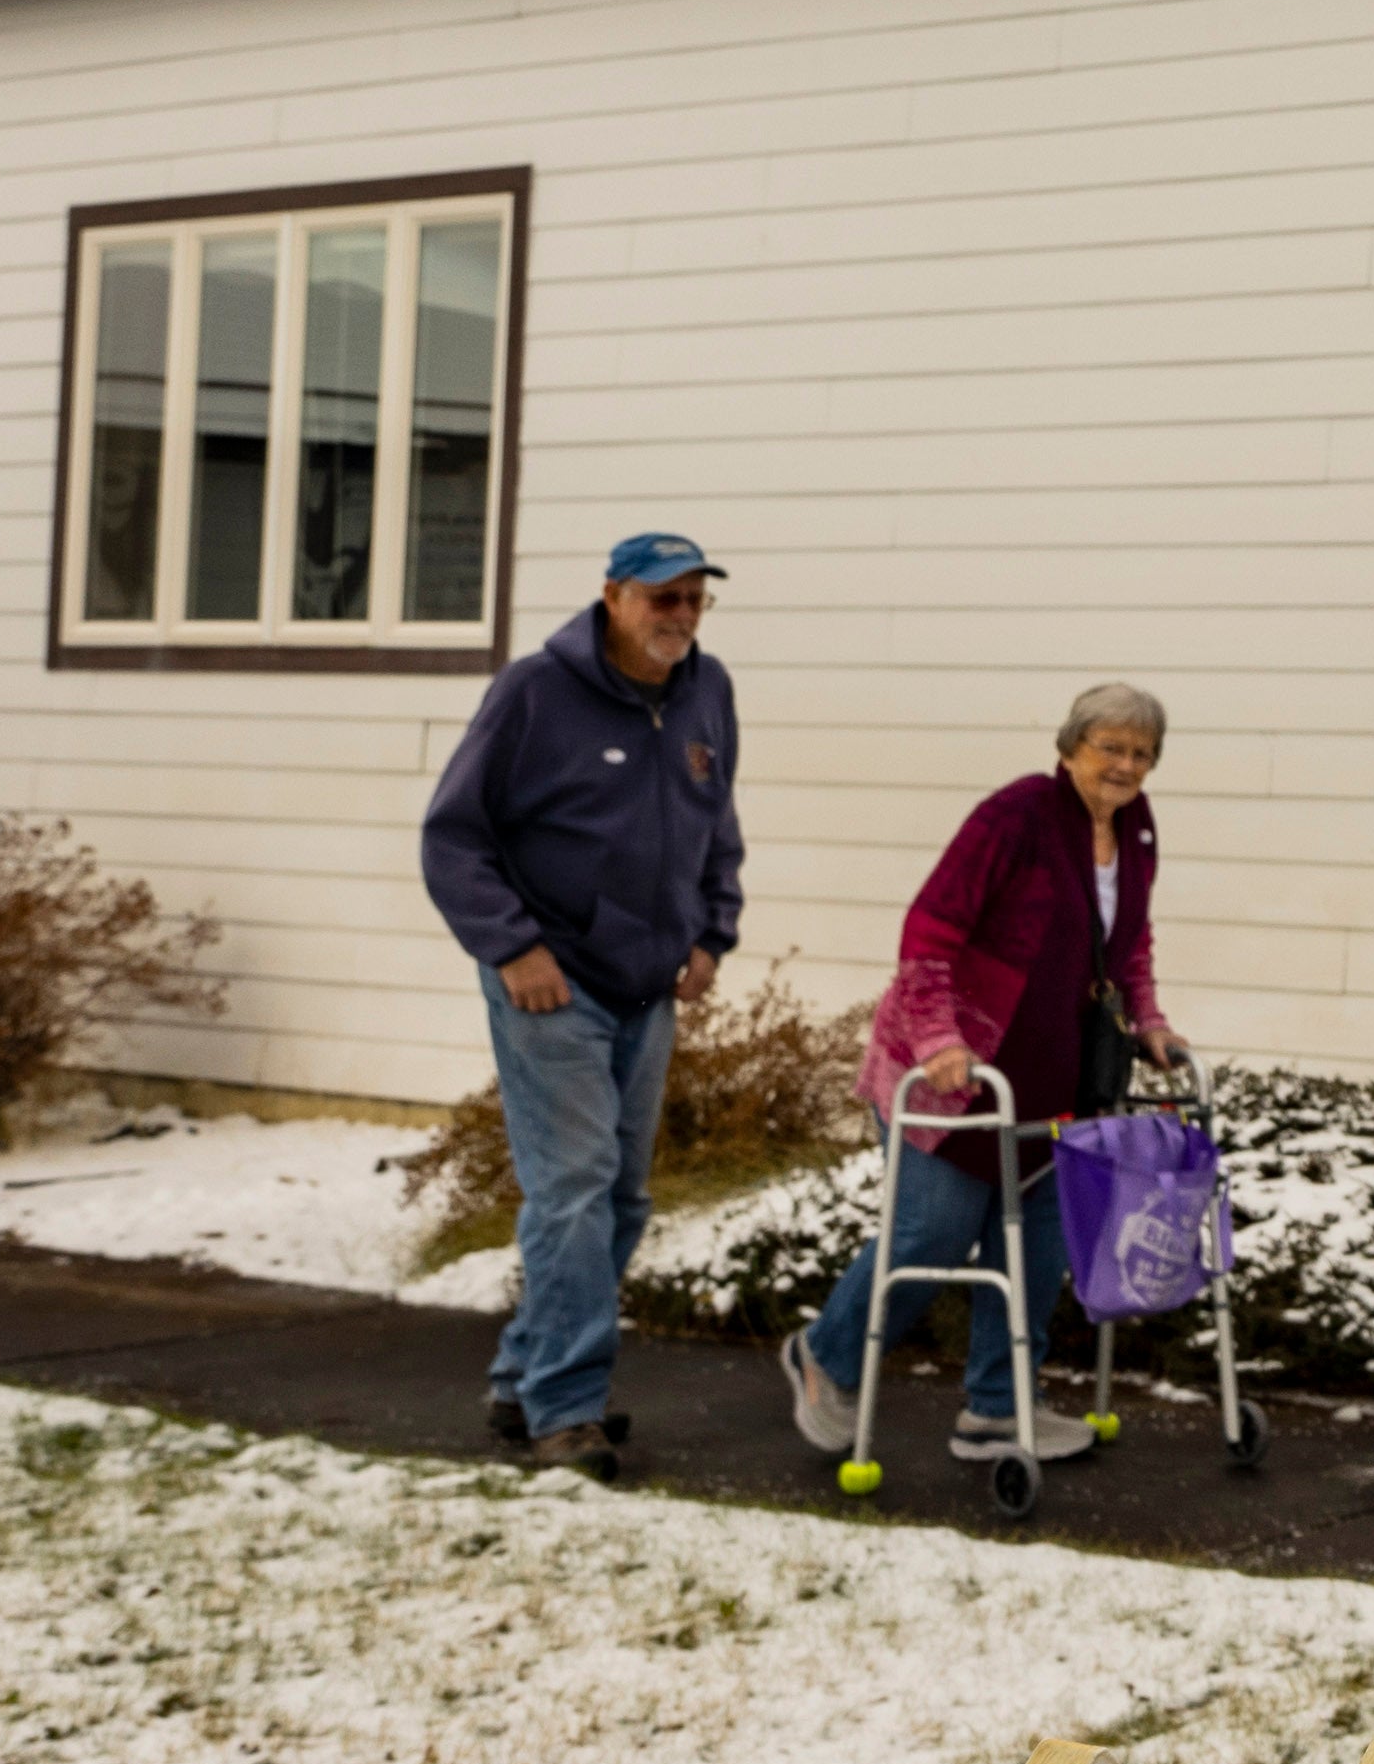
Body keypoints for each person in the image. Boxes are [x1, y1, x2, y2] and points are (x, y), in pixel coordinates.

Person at [786, 683, 1183, 1479]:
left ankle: (997, 1408)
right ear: (1070, 747)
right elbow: (930, 927)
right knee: (931, 1233)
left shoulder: (1135, 830)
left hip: (1053, 1076)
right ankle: (823, 1357)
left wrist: (1148, 1021)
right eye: (1110, 746)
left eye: (1141, 753)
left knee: (1036, 1240)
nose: (1126, 765)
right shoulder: (1015, 818)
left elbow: (1128, 943)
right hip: (952, 1071)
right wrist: (939, 1036)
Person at [420, 530, 745, 1466]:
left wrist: (710, 930)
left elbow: (715, 817)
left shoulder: (707, 689)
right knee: (572, 1193)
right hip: (549, 982)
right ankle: (567, 1409)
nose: (679, 617)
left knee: (623, 1196)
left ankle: (526, 1379)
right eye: (661, 598)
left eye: (694, 599)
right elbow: (453, 837)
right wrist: (512, 947)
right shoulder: (534, 691)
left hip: (648, 982)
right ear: (612, 595)